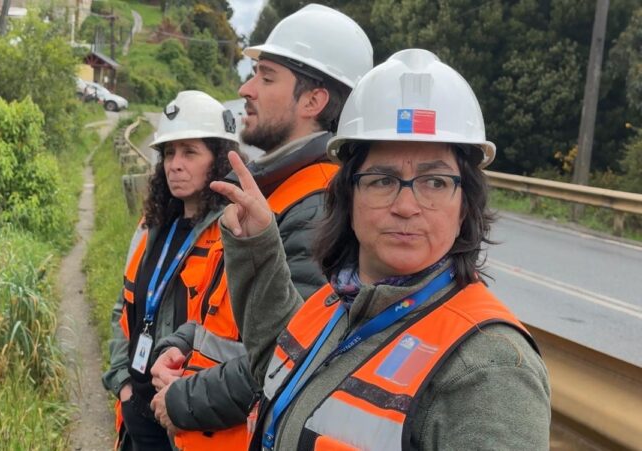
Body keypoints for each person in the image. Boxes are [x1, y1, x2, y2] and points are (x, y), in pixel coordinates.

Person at [210, 49, 552, 450]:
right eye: (382, 180)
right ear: (348, 195)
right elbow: (282, 369)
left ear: (465, 205)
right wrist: (257, 246)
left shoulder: (489, 368)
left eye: (436, 182)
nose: (406, 206)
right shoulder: (337, 302)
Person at [148, 4, 373, 450]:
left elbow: (290, 355)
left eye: (266, 77)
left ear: (313, 100)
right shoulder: (274, 189)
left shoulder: (320, 206)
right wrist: (180, 341)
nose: (245, 88)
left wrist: (181, 399)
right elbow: (232, 317)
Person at [101, 90, 242, 451]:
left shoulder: (236, 234)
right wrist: (124, 383)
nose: (174, 164)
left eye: (190, 152)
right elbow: (124, 306)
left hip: (187, 421)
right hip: (136, 414)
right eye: (168, 153)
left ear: (219, 160)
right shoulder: (151, 227)